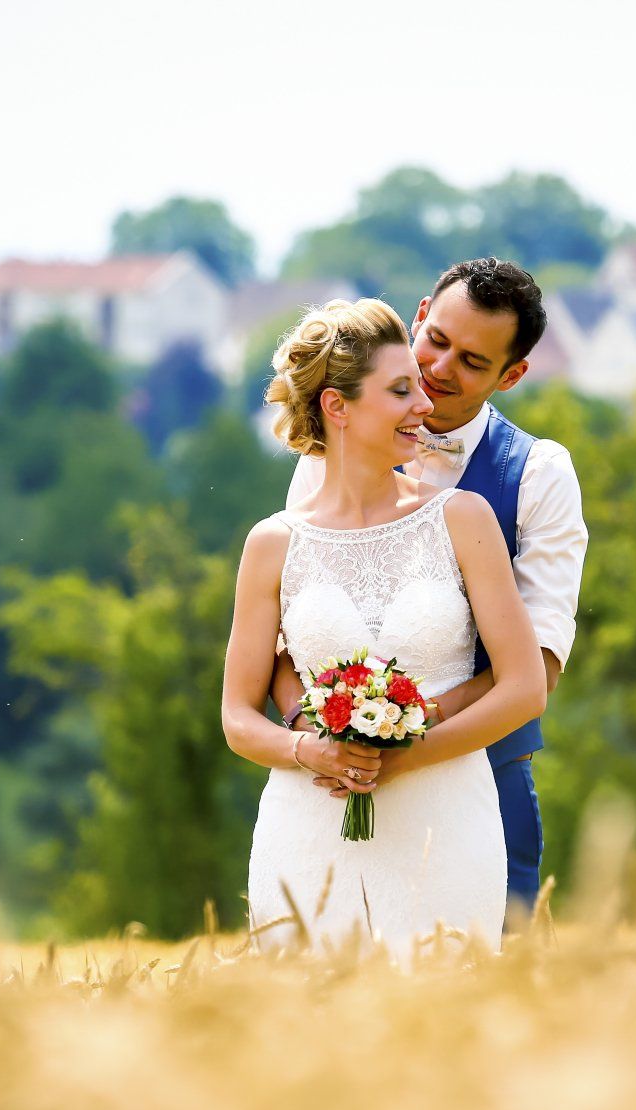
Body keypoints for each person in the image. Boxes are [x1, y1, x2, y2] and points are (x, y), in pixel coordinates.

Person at [222, 297, 546, 962]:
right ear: (338, 408)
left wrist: (407, 756)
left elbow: (525, 689)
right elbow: (237, 718)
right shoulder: (271, 544)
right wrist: (313, 752)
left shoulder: (465, 519)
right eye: (400, 390)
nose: (423, 404)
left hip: (446, 822)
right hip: (306, 828)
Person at [271, 259, 587, 925]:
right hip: (330, 796)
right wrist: (322, 738)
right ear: (418, 316)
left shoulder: (539, 476)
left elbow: (539, 665)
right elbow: (285, 640)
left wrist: (405, 730)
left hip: (482, 790)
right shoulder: (323, 462)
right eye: (436, 340)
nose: (441, 369)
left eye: (473, 360)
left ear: (513, 375)